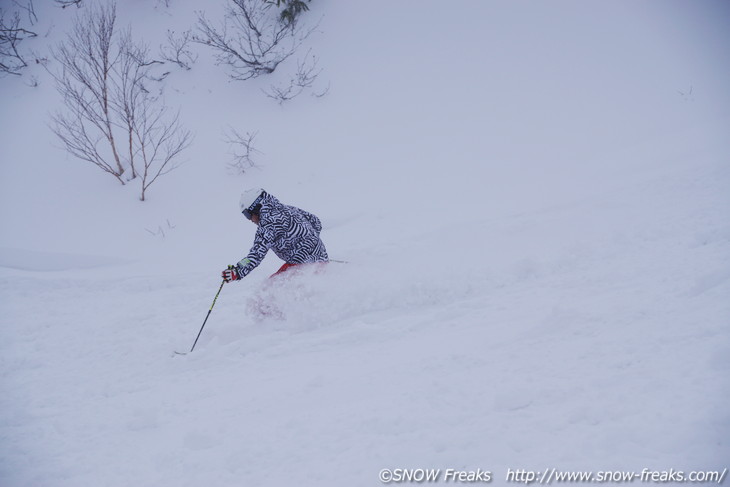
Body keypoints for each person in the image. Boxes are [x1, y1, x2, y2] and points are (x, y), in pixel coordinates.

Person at [222, 188, 328, 283]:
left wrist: (237, 271)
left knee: (266, 293)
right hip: (321, 256)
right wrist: (311, 245)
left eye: (248, 215)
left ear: (255, 208)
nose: (250, 220)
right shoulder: (286, 208)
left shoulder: (268, 225)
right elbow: (315, 221)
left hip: (302, 266)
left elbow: (256, 254)